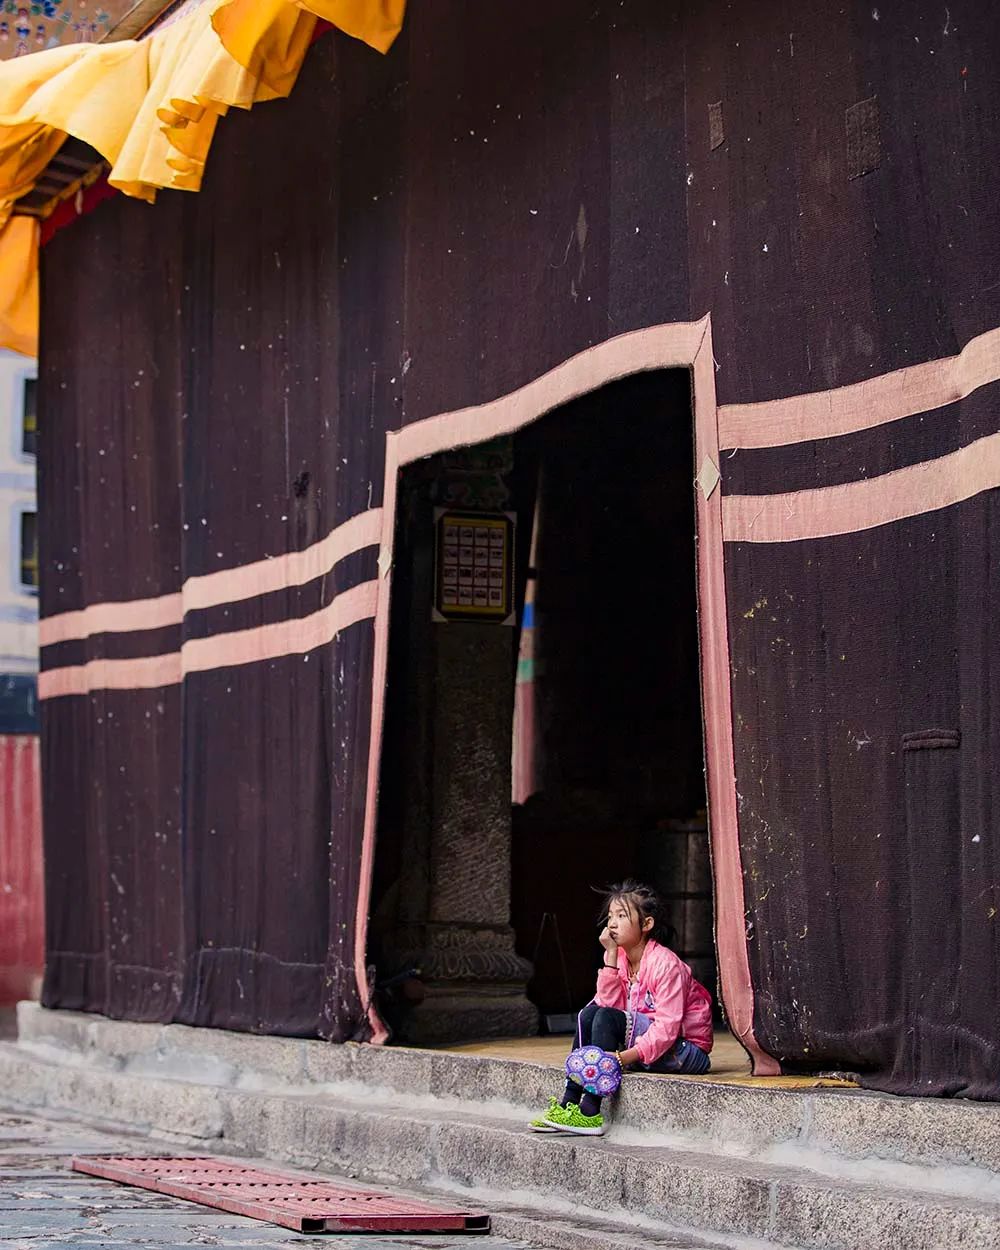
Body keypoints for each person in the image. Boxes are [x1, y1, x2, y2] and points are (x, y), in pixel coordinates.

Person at [529, 879, 714, 1136]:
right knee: (588, 1013)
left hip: (686, 1051)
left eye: (622, 916)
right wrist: (612, 958)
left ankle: (590, 1112)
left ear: (646, 924)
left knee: (603, 1017)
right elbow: (606, 1007)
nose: (612, 923)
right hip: (648, 1046)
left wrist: (620, 1059)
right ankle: (569, 1103)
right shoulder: (618, 957)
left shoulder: (665, 964)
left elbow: (667, 1029)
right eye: (610, 916)